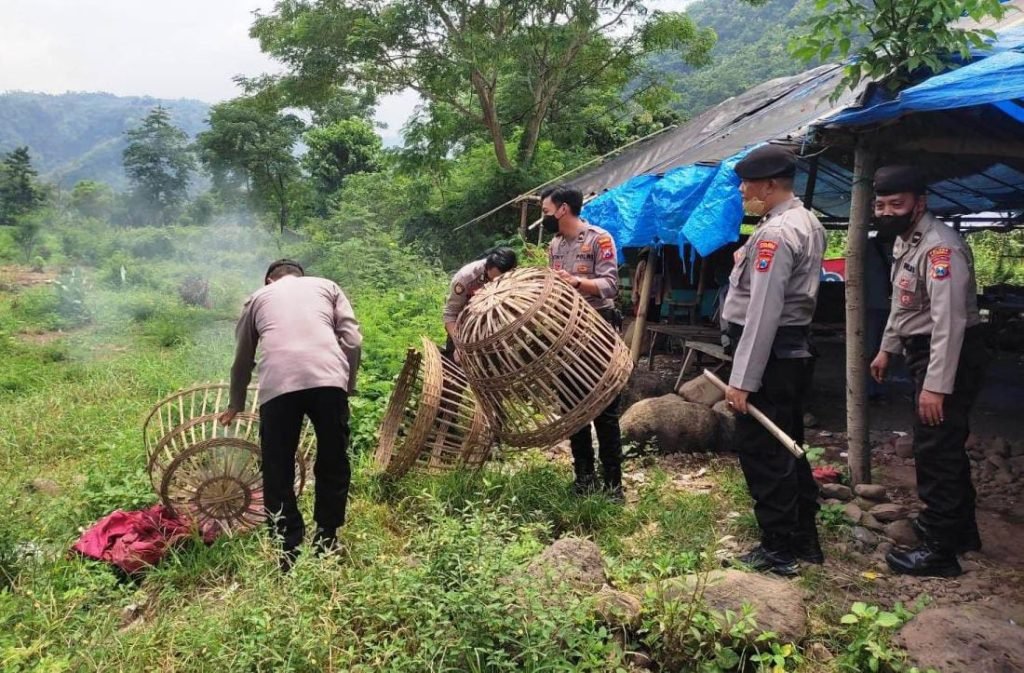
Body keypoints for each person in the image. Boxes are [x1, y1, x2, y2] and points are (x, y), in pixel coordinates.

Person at [869, 165, 988, 578]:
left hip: (950, 354)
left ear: (919, 203)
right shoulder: (907, 242)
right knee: (942, 445)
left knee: (935, 450)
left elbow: (948, 323)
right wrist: (887, 348)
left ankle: (940, 551)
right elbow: (903, 305)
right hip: (923, 350)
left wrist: (936, 386)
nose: (887, 212)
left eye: (896, 204)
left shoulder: (941, 248)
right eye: (881, 205)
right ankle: (960, 532)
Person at [721, 144, 826, 576]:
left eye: (746, 183)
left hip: (770, 354)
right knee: (789, 444)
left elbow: (763, 312)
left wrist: (743, 379)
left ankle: (778, 549)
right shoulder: (804, 221)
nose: (742, 190)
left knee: (764, 450)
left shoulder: (776, 233)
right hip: (790, 351)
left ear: (768, 185)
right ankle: (803, 539)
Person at [219, 259, 362, 572]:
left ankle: (288, 549)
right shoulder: (327, 286)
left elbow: (242, 358)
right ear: (300, 276)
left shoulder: (257, 298)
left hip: (278, 387)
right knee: (333, 460)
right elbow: (352, 340)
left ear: (269, 280)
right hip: (329, 380)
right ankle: (326, 537)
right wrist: (346, 385)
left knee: (278, 467)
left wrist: (235, 403)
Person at [540, 185, 624, 500]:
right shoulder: (555, 245)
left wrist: (577, 282)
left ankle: (613, 486)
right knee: (572, 407)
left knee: (605, 408)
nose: (544, 216)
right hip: (566, 333)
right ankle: (584, 479)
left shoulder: (599, 239)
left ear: (563, 209)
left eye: (546, 211)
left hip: (598, 329)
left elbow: (611, 285)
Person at [443, 247, 518, 359]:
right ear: (487, 267)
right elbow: (450, 314)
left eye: (499, 280)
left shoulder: (514, 274)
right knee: (456, 361)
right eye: (490, 278)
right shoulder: (465, 278)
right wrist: (459, 344)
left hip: (494, 324)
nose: (494, 283)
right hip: (465, 324)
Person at [865, 231, 895, 401]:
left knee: (885, 348)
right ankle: (870, 388)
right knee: (871, 348)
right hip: (872, 305)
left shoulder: (901, 246)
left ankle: (878, 386)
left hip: (890, 306)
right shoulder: (868, 247)